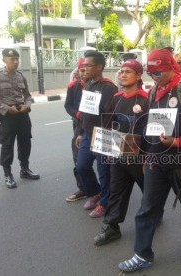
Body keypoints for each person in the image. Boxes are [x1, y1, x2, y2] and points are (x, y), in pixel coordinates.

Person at [118, 48, 181, 272]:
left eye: (159, 73)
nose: (155, 77)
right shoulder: (153, 92)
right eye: (151, 74)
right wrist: (147, 154)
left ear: (171, 67)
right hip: (156, 161)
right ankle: (142, 254)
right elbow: (153, 126)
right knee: (147, 208)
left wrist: (179, 141)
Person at [93, 59, 149, 246]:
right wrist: (105, 147)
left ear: (139, 75)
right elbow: (108, 125)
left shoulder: (146, 99)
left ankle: (154, 214)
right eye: (121, 71)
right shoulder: (116, 98)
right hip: (118, 155)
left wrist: (149, 156)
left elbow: (154, 131)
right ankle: (111, 227)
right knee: (116, 191)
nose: (122, 74)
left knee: (149, 191)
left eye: (128, 71)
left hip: (141, 158)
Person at [75, 50, 118, 218]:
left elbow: (109, 116)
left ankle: (104, 203)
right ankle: (96, 192)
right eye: (83, 65)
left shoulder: (109, 88)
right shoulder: (89, 84)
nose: (84, 68)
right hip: (86, 133)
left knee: (104, 171)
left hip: (103, 135)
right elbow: (83, 111)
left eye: (88, 65)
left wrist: (100, 138)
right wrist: (80, 132)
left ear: (99, 67)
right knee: (82, 166)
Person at [0, 48, 40, 189]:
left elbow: (27, 95)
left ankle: (25, 169)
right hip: (8, 116)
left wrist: (28, 105)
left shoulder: (21, 76)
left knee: (25, 143)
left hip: (23, 115)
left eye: (17, 59)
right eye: (12, 60)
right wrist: (7, 108)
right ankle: (8, 174)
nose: (15, 62)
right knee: (7, 146)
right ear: (4, 60)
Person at [64, 58, 88, 202]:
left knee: (104, 163)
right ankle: (83, 188)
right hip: (79, 126)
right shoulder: (73, 86)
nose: (84, 72)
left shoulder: (102, 87)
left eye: (87, 69)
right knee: (78, 160)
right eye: (82, 69)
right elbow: (68, 106)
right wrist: (77, 114)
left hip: (97, 127)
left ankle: (106, 193)